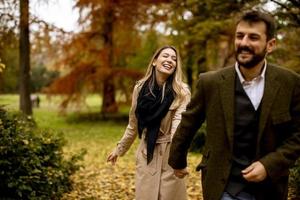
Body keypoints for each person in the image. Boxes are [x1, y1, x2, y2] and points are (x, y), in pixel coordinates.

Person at [168, 10, 300, 200]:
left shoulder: (291, 83)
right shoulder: (210, 82)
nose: (244, 43)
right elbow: (189, 122)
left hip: (270, 189)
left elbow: (297, 135)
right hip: (223, 187)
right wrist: (177, 160)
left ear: (270, 45)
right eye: (240, 36)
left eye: (253, 37)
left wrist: (269, 165)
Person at [107, 45, 191, 200]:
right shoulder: (140, 89)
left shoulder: (182, 92)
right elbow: (133, 124)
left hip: (169, 155)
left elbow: (177, 127)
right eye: (165, 56)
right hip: (147, 154)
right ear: (154, 61)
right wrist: (119, 149)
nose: (170, 60)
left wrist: (178, 159)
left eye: (174, 59)